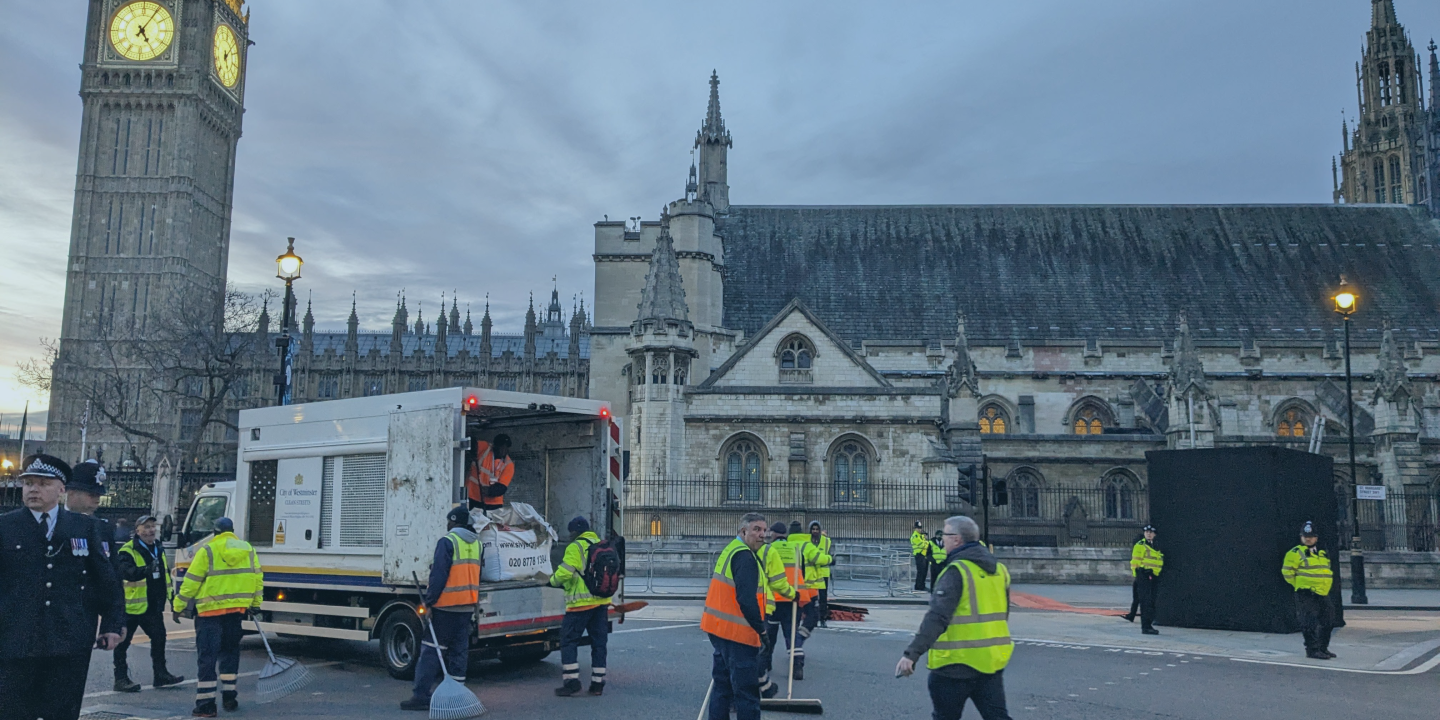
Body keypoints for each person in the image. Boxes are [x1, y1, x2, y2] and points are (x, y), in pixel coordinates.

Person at [0, 454, 126, 720]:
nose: (34, 489)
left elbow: (106, 580)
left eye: (43, 484)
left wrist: (113, 625)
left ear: (61, 489)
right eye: (29, 483)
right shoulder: (6, 527)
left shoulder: (85, 528)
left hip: (69, 639)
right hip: (15, 639)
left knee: (62, 712)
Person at [896, 515, 1013, 720]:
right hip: (990, 662)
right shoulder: (1000, 570)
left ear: (957, 539)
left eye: (945, 534)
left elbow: (937, 617)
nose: (942, 539)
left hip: (954, 666)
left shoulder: (957, 570)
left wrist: (911, 654)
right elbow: (1004, 613)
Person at [173, 517, 263, 717]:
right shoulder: (247, 549)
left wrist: (178, 606)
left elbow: (191, 581)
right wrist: (255, 605)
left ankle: (206, 704)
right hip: (236, 613)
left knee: (207, 657)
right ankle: (230, 698)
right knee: (230, 653)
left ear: (215, 532)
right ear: (232, 531)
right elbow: (258, 578)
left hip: (209, 613)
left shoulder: (207, 550)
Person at [402, 507, 481, 711]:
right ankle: (456, 695)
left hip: (445, 607)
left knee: (431, 651)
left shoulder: (448, 542)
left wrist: (429, 602)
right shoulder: (477, 544)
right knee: (458, 653)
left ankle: (421, 695)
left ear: (453, 522)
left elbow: (439, 576)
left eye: (448, 521)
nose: (446, 525)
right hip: (466, 606)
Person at [702, 513, 769, 720]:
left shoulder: (731, 549)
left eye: (764, 531)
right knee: (746, 693)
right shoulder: (745, 557)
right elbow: (746, 600)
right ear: (743, 531)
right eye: (757, 530)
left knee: (722, 687)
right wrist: (762, 629)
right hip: (738, 633)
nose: (762, 535)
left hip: (719, 628)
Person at [113, 515, 185, 692]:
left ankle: (161, 675)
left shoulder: (158, 548)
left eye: (153, 527)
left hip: (152, 605)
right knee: (122, 643)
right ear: (137, 531)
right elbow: (127, 573)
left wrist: (171, 598)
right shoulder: (127, 550)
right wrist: (146, 570)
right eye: (146, 527)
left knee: (159, 639)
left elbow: (165, 575)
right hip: (131, 606)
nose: (151, 530)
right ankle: (121, 679)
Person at [550, 516, 609, 696]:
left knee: (568, 641)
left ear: (575, 532)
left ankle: (571, 681)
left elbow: (565, 574)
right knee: (599, 643)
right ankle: (598, 683)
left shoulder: (575, 547)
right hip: (601, 603)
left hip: (580, 605)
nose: (569, 535)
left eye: (571, 532)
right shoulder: (601, 543)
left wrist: (552, 580)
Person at [1282, 521, 1335, 660]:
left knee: (1328, 621)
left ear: (1316, 537)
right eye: (1305, 536)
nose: (1308, 539)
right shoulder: (1295, 553)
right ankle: (1312, 650)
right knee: (1309, 622)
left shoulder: (1322, 553)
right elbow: (1287, 573)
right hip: (1306, 592)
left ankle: (1323, 648)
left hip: (1322, 592)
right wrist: (1299, 585)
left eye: (1311, 536)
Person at [756, 522, 796, 698]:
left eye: (766, 531)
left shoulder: (758, 550)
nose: (765, 534)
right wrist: (794, 594)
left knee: (763, 641)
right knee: (787, 634)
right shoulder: (790, 549)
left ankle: (764, 671)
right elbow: (779, 581)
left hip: (759, 604)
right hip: (777, 601)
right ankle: (796, 665)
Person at [65, 459, 118, 561]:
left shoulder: (104, 528)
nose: (97, 500)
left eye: (99, 495)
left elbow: (113, 569)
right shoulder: (56, 523)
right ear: (71, 493)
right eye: (92, 495)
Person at [1123, 525, 1163, 635]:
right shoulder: (1140, 545)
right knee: (1145, 602)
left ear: (1154, 534)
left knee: (1150, 602)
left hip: (1153, 576)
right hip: (1144, 576)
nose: (1148, 534)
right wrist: (1140, 573)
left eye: (1150, 532)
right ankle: (1145, 627)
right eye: (1146, 532)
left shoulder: (1156, 545)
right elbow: (1135, 561)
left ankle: (1148, 623)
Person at [466, 434, 514, 512]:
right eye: (501, 446)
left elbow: (502, 487)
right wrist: (473, 450)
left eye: (506, 447)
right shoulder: (485, 448)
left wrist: (489, 491)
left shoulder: (509, 465)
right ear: (494, 445)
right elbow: (471, 442)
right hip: (473, 497)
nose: (503, 449)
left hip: (494, 504)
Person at [801, 520, 834, 629]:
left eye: (817, 529)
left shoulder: (826, 541)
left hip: (822, 573)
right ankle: (811, 618)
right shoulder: (806, 541)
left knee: (823, 598)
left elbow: (831, 555)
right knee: (810, 598)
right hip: (810, 574)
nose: (815, 531)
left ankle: (823, 619)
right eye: (813, 529)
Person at [911, 521, 930, 591]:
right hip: (919, 555)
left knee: (924, 571)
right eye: (918, 528)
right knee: (921, 571)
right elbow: (922, 545)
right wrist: (925, 541)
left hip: (924, 555)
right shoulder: (915, 536)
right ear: (915, 528)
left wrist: (924, 540)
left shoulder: (920, 536)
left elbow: (928, 544)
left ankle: (922, 585)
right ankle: (918, 586)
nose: (920, 529)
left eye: (920, 528)